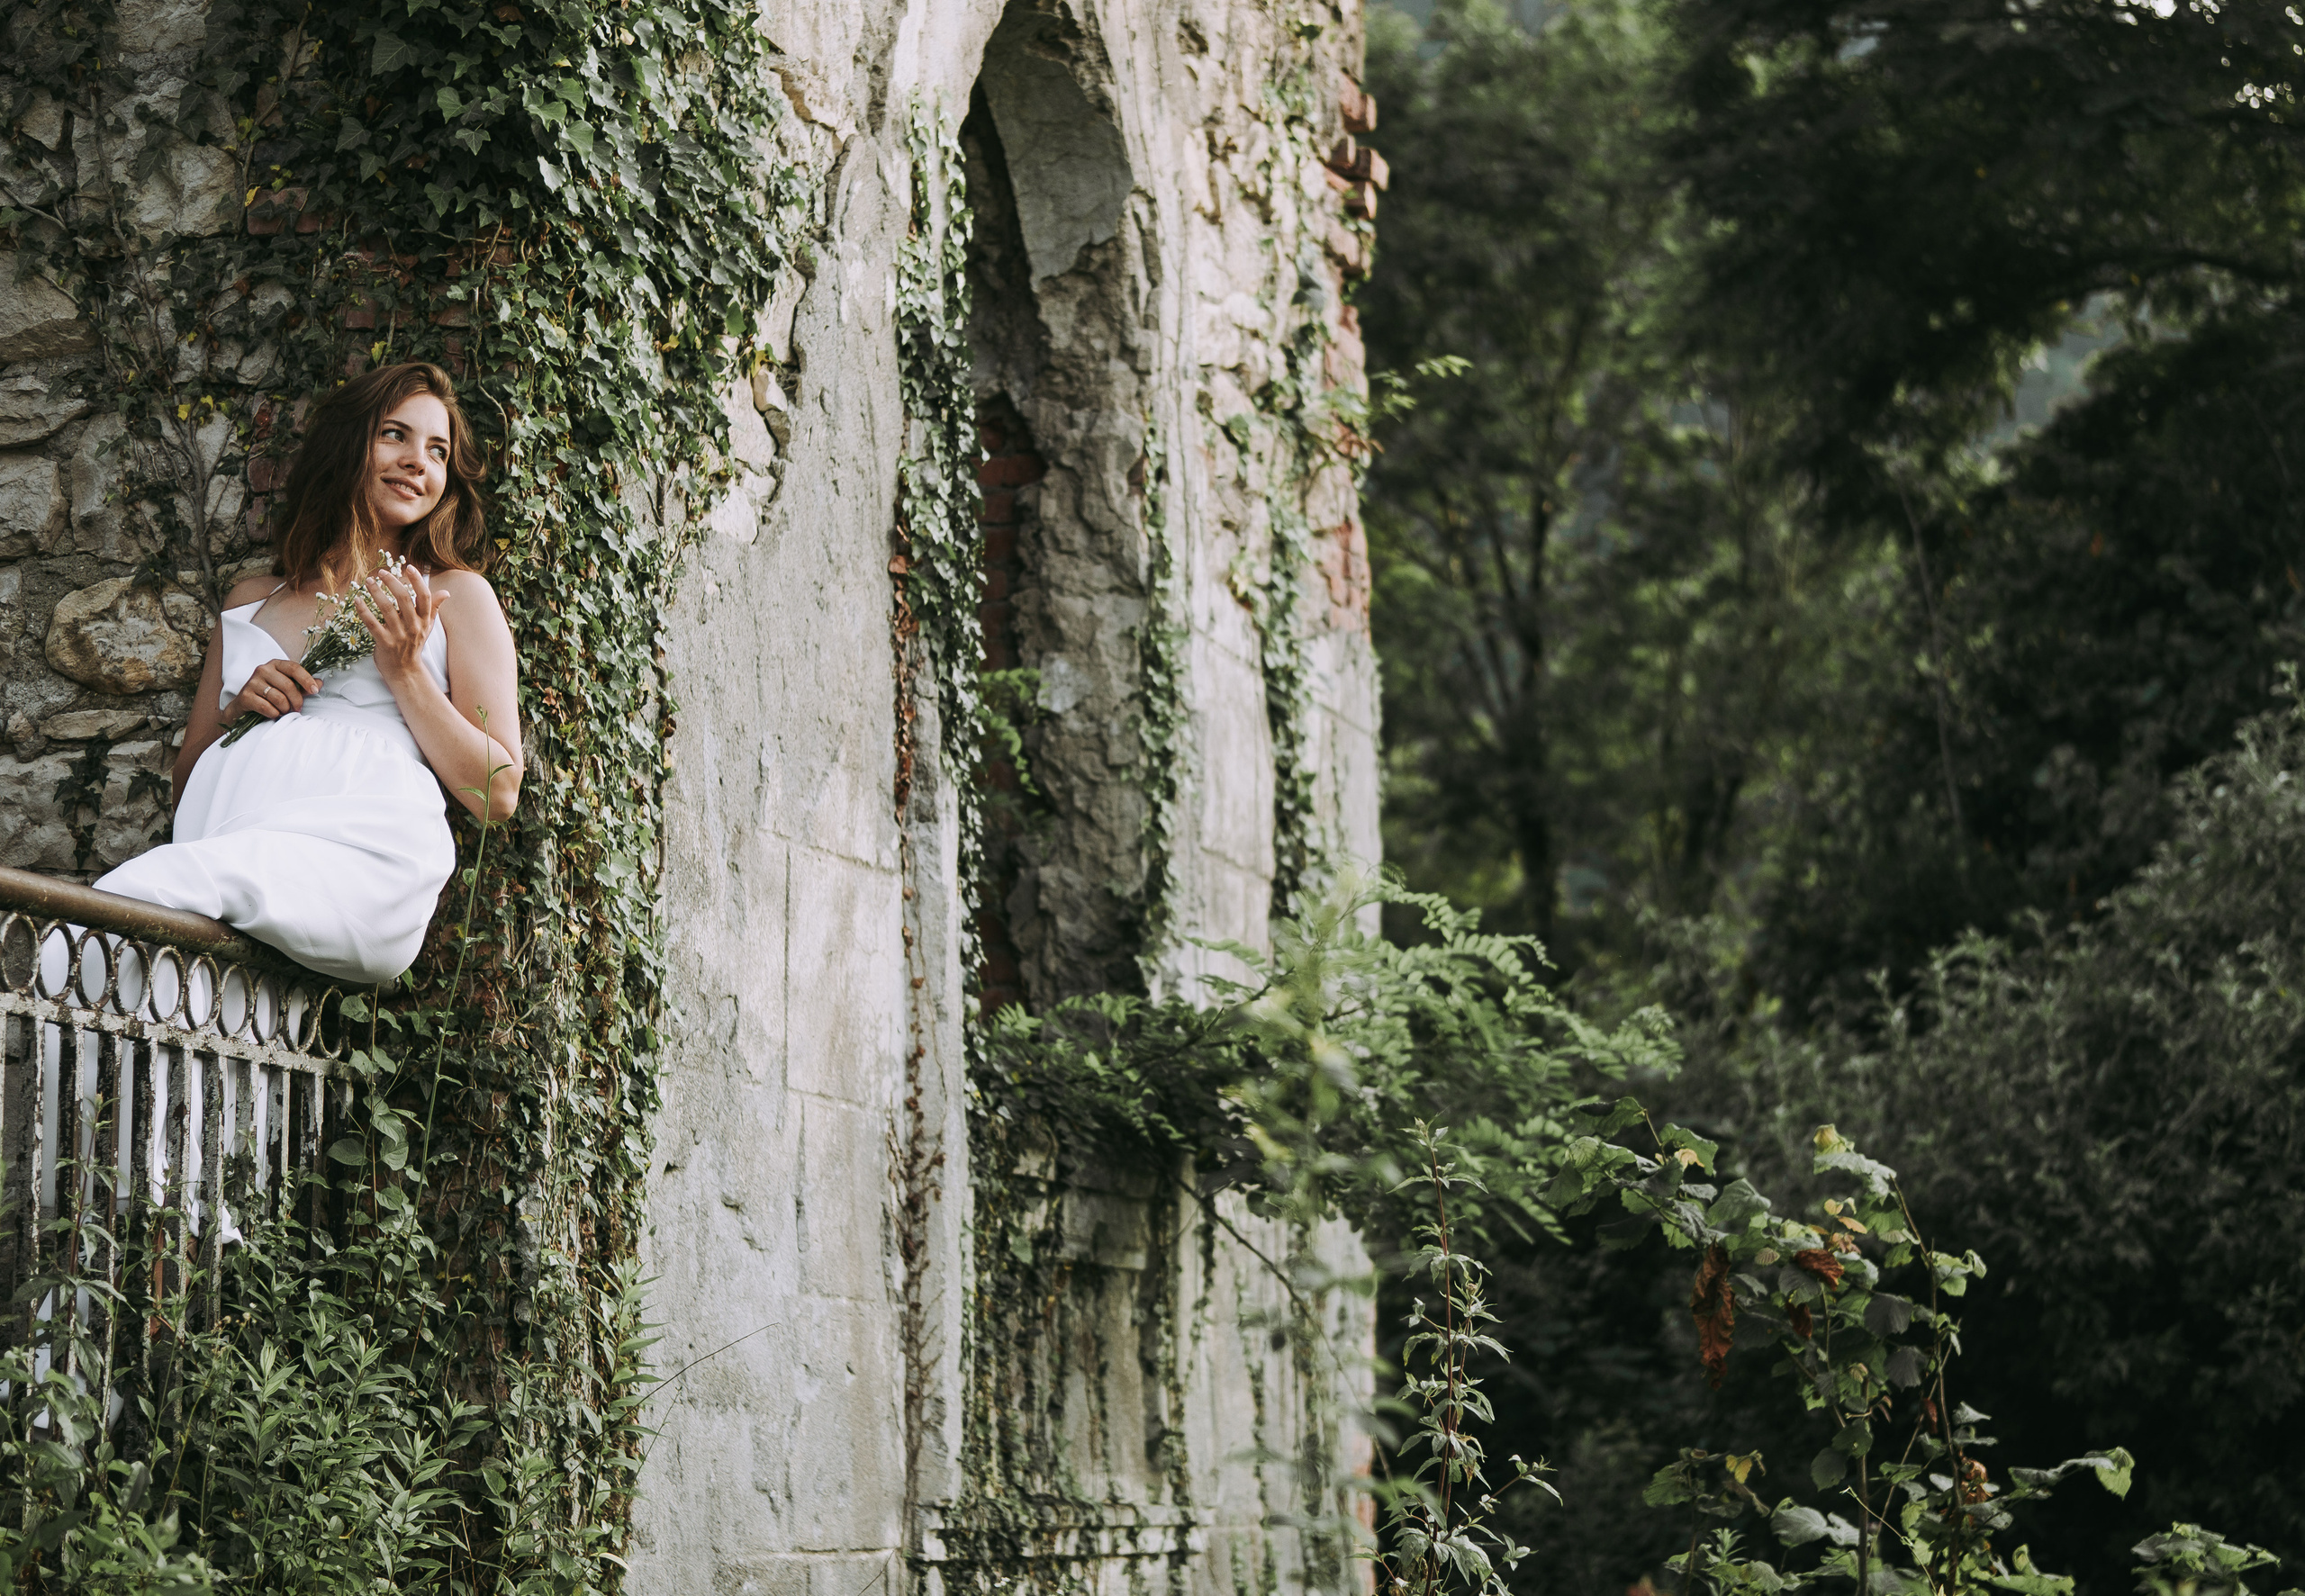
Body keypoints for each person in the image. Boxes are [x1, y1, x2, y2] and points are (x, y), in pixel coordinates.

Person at [94, 362, 522, 986]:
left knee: (111, 908)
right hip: (229, 858)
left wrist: (405, 674)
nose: (418, 461)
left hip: (363, 861)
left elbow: (498, 792)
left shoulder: (454, 595)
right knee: (156, 996)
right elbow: (187, 784)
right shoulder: (252, 599)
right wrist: (240, 713)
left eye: (438, 450)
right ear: (349, 443)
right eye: (395, 435)